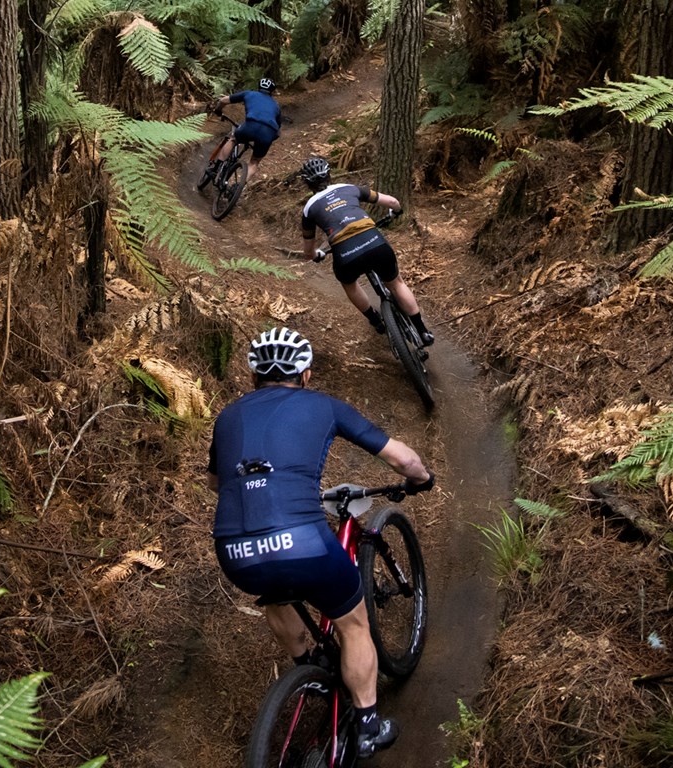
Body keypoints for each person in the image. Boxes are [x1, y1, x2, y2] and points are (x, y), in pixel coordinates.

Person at [205, 327, 436, 759]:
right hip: (304, 543)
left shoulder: (228, 416)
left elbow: (219, 483)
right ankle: (368, 723)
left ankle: (309, 670)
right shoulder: (323, 406)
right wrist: (421, 478)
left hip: (234, 551)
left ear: (253, 375)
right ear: (306, 374)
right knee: (353, 623)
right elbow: (402, 459)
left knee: (276, 596)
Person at [297, 156, 434, 345]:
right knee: (396, 283)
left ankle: (375, 320)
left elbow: (308, 251)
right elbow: (393, 201)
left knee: (350, 284)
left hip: (345, 254)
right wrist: (397, 212)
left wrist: (317, 255)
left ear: (307, 183)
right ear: (329, 175)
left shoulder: (308, 209)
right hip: (375, 243)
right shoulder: (349, 188)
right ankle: (423, 331)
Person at [201, 77, 282, 190]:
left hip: (250, 125)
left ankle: (216, 169)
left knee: (233, 139)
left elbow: (223, 100)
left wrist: (218, 110)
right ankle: (238, 187)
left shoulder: (249, 94)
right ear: (272, 92)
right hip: (268, 132)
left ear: (258, 87)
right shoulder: (276, 106)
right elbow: (278, 129)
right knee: (254, 162)